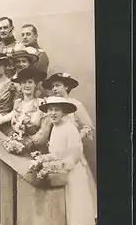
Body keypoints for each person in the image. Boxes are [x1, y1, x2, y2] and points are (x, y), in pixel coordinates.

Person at [39, 96, 97, 225]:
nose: (52, 113)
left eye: (56, 110)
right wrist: (45, 159)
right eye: (50, 110)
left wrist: (57, 164)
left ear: (64, 112)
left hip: (73, 178)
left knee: (75, 215)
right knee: (64, 216)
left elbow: (73, 155)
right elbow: (56, 152)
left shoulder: (70, 128)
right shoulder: (55, 128)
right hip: (63, 175)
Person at [42, 72, 97, 211]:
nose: (54, 89)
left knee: (76, 187)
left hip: (72, 147)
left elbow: (88, 126)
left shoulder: (75, 104)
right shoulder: (51, 105)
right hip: (56, 145)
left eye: (58, 85)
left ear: (66, 87)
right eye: (53, 86)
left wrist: (76, 136)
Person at [5, 66, 52, 154]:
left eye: (30, 82)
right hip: (16, 147)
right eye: (23, 82)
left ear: (35, 84)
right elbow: (13, 126)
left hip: (35, 151)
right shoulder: (17, 103)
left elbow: (43, 133)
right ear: (20, 85)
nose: (27, 85)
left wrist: (26, 144)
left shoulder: (42, 104)